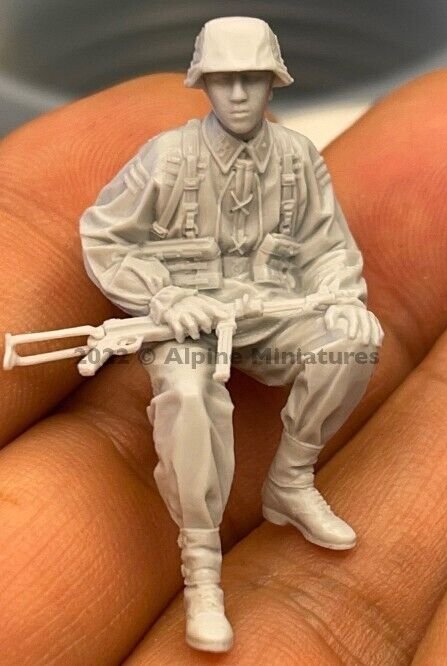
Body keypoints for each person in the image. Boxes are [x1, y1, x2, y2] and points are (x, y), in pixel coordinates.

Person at [80, 17, 383, 652]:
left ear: (273, 83)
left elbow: (328, 247)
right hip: (189, 322)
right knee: (189, 397)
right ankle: (201, 567)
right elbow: (105, 236)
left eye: (252, 78)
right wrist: (164, 296)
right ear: (204, 84)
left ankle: (290, 481)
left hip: (273, 316)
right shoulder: (167, 156)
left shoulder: (298, 158)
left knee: (356, 341)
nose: (239, 94)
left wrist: (345, 298)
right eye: (224, 80)